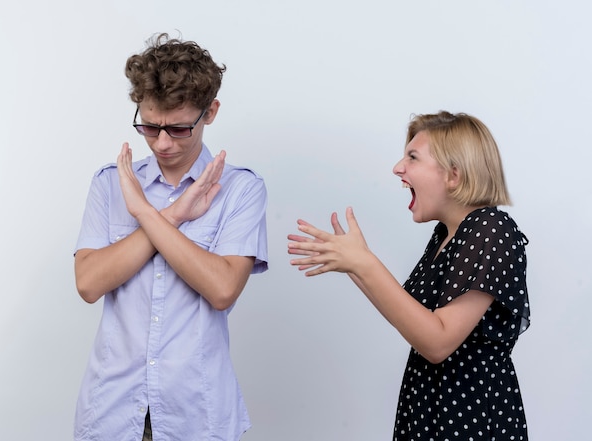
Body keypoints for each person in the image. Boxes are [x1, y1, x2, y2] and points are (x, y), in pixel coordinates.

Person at [287, 111, 530, 440]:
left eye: (412, 158)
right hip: (429, 407)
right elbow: (412, 318)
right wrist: (354, 264)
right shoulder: (447, 233)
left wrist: (365, 264)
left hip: (469, 417)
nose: (398, 168)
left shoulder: (490, 229)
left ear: (453, 175)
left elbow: (438, 341)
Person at [73, 33, 268, 441]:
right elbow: (89, 283)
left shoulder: (241, 189)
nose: (162, 143)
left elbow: (221, 289)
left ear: (209, 112)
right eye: (149, 127)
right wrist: (175, 215)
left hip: (196, 416)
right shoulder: (112, 184)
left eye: (178, 129)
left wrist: (145, 212)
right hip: (111, 412)